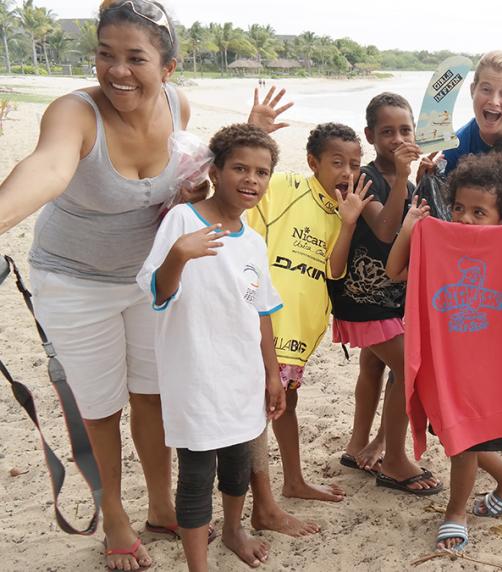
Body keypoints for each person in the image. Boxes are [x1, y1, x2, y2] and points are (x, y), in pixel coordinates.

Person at [0, 2, 288, 568]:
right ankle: (115, 516)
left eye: (136, 58)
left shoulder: (178, 108)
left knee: (154, 394)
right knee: (100, 405)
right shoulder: (74, 111)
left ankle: (161, 506)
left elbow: (197, 170)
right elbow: (48, 169)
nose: (118, 71)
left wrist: (251, 131)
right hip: (75, 280)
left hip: (154, 277)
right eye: (106, 55)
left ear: (169, 67)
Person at [386, 154, 502, 551]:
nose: (465, 218)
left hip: (491, 374)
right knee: (461, 438)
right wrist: (409, 227)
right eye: (459, 208)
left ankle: (456, 512)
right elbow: (395, 270)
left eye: (478, 211)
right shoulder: (439, 240)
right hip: (449, 367)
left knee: (466, 445)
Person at [136, 124, 286, 571]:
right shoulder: (183, 221)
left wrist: (273, 374)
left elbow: (261, 311)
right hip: (196, 377)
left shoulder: (254, 242)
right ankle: (198, 565)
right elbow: (156, 291)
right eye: (240, 167)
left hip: (242, 376)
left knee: (239, 463)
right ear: (215, 171)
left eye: (262, 172)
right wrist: (179, 254)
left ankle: (236, 527)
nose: (251, 180)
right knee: (197, 473)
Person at [246, 122, 375, 530]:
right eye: (337, 162)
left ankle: (293, 480)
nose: (347, 172)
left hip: (300, 330)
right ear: (312, 162)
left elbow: (333, 271)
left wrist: (349, 222)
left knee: (286, 403)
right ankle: (263, 504)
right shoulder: (285, 188)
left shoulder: (344, 209)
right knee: (257, 411)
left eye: (354, 164)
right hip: (261, 322)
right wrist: (254, 130)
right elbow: (245, 187)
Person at [326, 92, 442, 493]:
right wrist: (402, 178)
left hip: (388, 298)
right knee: (413, 368)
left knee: (375, 367)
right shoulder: (367, 178)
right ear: (370, 135)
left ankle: (360, 444)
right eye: (387, 131)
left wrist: (420, 180)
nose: (397, 138)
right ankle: (394, 459)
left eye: (405, 130)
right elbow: (386, 230)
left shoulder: (405, 181)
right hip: (362, 299)